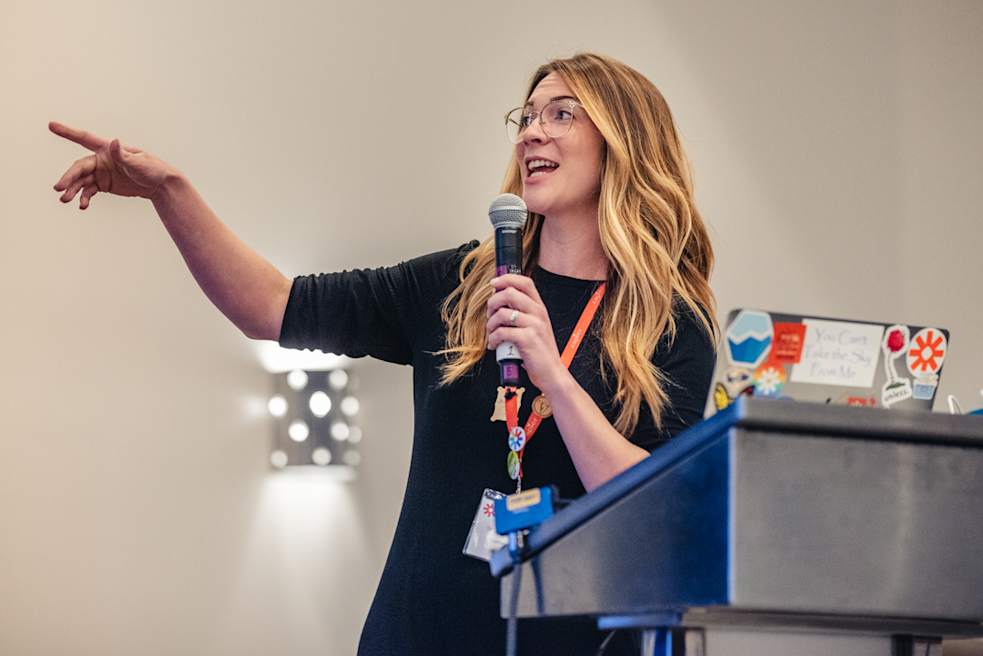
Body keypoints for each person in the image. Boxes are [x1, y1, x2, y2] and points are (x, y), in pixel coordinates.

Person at [51, 52, 717, 656]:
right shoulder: (460, 286)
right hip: (414, 638)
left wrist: (552, 374)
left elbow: (657, 512)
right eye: (526, 116)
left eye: (561, 114)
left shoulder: (667, 322)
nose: (530, 133)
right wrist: (171, 193)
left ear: (623, 141)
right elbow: (272, 306)